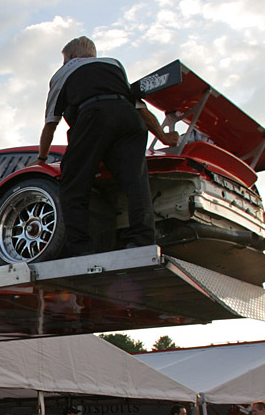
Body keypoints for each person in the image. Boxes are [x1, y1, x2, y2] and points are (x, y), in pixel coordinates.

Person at [35, 36, 180, 256]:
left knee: (73, 183)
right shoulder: (114, 65)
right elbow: (140, 109)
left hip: (94, 116)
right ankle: (141, 241)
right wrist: (164, 137)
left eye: (65, 60)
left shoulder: (62, 74)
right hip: (129, 120)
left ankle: (80, 248)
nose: (64, 64)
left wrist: (42, 158)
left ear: (72, 57)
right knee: (136, 183)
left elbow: (50, 123)